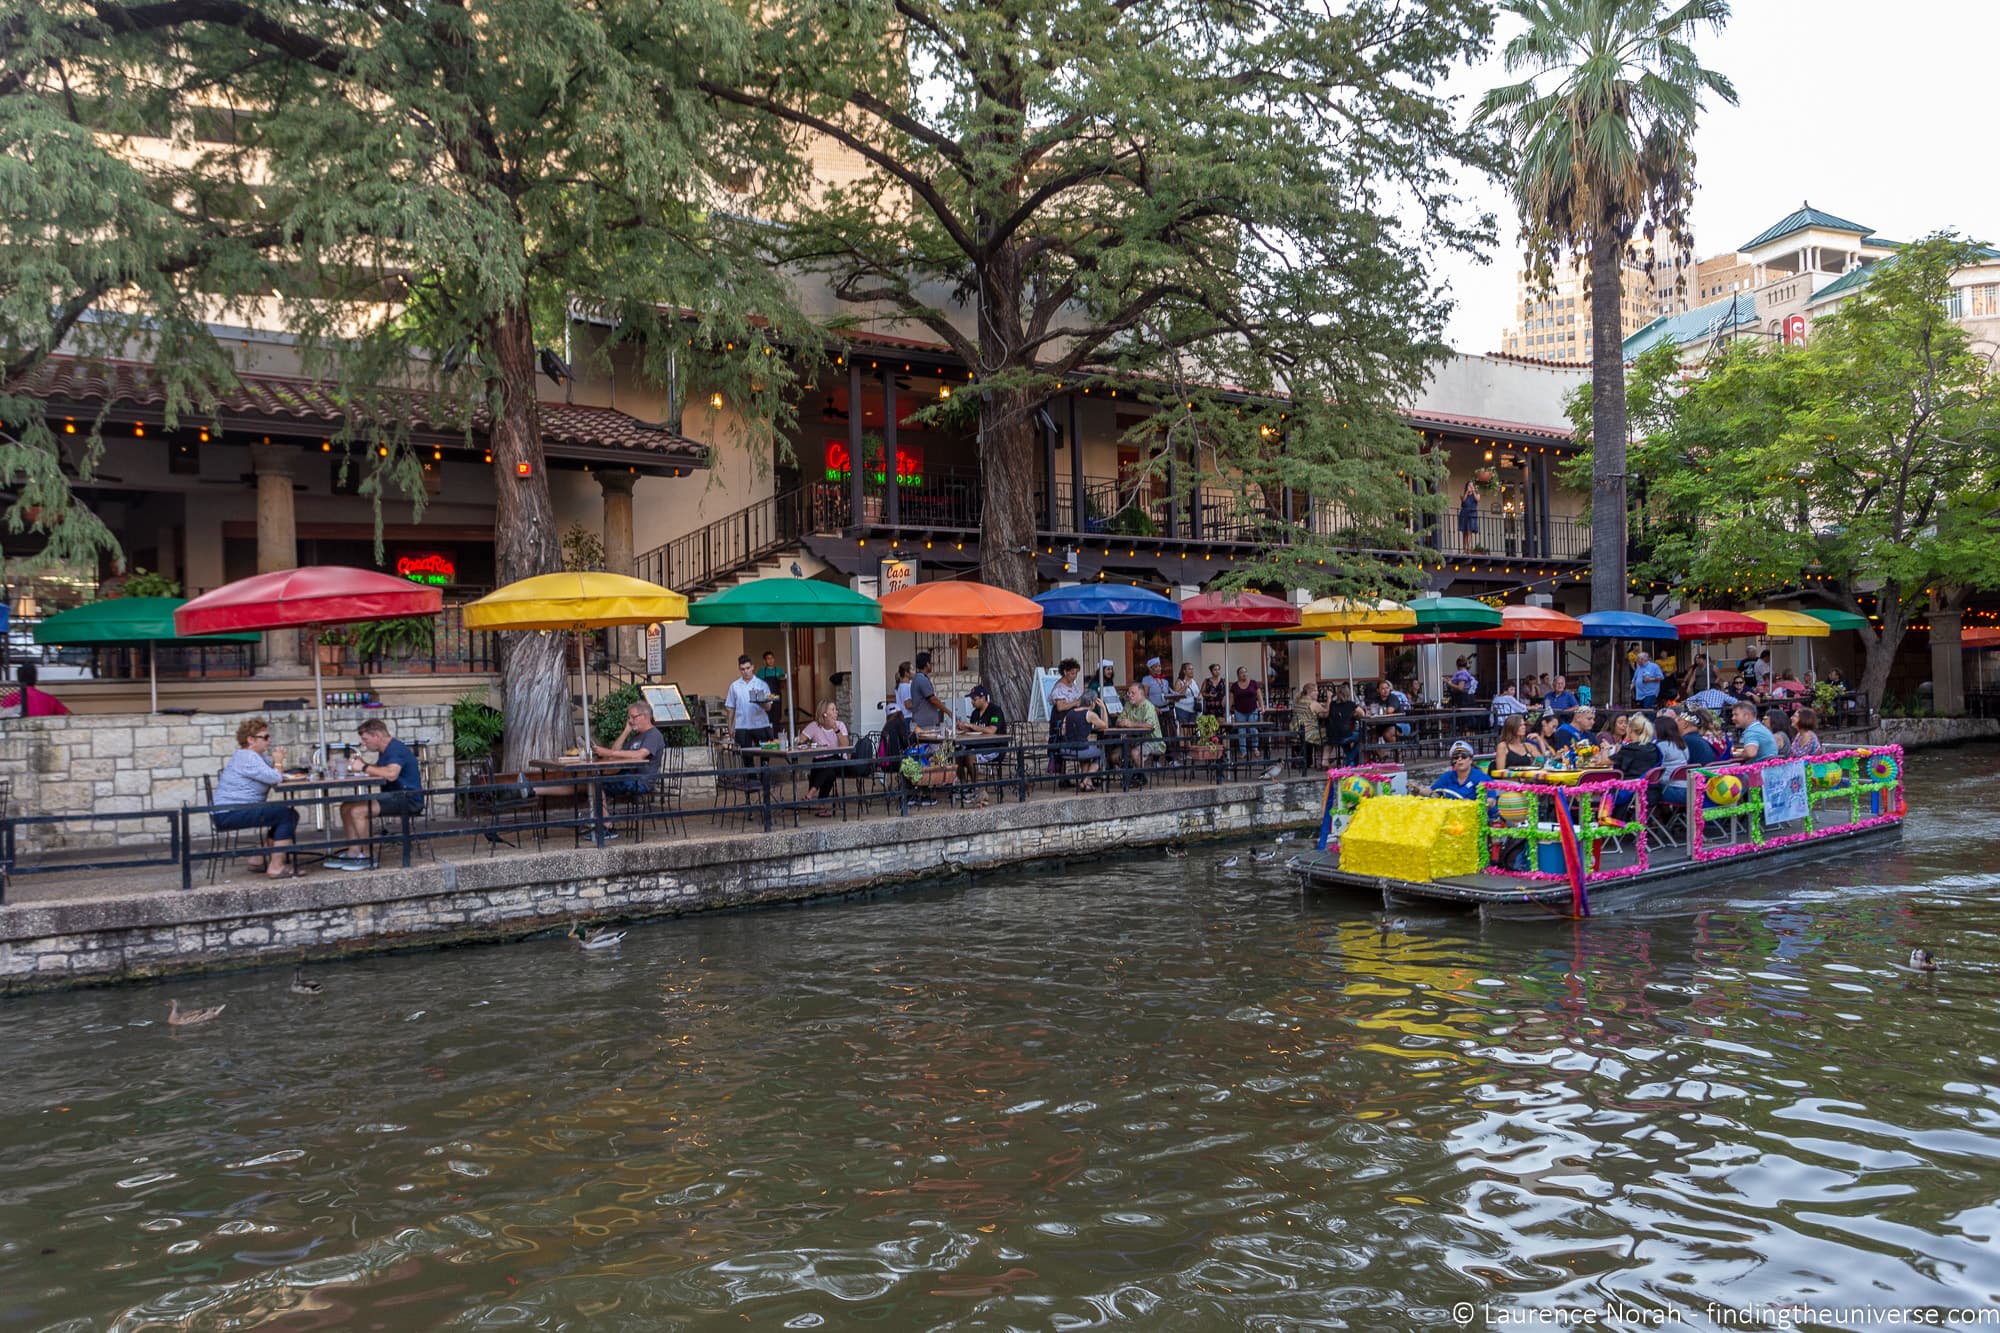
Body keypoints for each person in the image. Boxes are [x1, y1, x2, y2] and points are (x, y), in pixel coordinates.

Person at [211, 717, 299, 879]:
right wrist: (279, 761)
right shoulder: (247, 757)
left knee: (284, 813)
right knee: (286, 815)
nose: (269, 740)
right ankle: (276, 866)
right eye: (265, 737)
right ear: (251, 740)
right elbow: (275, 777)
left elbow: (273, 773)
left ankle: (259, 858)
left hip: (232, 810)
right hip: (230, 813)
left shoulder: (256, 756)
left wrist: (276, 765)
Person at [331, 718, 424, 870]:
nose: (363, 744)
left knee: (357, 811)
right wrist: (362, 764)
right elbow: (381, 769)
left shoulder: (395, 749)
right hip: (393, 796)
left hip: (407, 799)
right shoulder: (386, 750)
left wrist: (364, 767)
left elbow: (391, 773)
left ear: (377, 736)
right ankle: (354, 852)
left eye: (366, 739)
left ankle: (369, 856)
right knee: (346, 806)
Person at [591, 699, 668, 834]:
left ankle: (606, 826)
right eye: (629, 718)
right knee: (592, 782)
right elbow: (613, 754)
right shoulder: (636, 737)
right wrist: (626, 731)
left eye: (633, 717)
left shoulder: (653, 735)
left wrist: (608, 752)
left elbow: (640, 755)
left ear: (644, 716)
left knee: (595, 784)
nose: (631, 721)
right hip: (628, 776)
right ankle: (603, 823)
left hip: (641, 781)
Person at [799, 700, 850, 815]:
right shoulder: (815, 726)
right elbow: (800, 740)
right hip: (821, 761)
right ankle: (821, 805)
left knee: (830, 764)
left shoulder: (840, 725)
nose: (836, 712)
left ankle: (812, 791)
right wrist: (806, 744)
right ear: (824, 713)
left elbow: (846, 745)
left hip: (839, 760)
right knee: (829, 770)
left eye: (835, 709)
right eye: (833, 709)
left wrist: (836, 729)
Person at [726, 655, 775, 749]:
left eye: (748, 668)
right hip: (742, 726)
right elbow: (730, 708)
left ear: (752, 667)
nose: (746, 672)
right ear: (739, 670)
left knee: (765, 755)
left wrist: (761, 702)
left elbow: (769, 707)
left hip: (760, 724)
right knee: (746, 757)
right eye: (742, 669)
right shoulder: (734, 686)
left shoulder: (762, 684)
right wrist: (730, 727)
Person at [1121, 681, 1165, 768]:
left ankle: (1141, 776)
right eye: (1128, 693)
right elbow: (1119, 721)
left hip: (1153, 741)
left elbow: (1149, 725)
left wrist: (1131, 724)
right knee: (1114, 756)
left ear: (1141, 694)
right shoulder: (1128, 705)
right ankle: (1130, 775)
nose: (1129, 695)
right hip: (1134, 740)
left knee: (1135, 753)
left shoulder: (1148, 706)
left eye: (1133, 693)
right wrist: (1122, 723)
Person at [908, 651, 946, 730]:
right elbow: (933, 699)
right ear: (927, 664)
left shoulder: (918, 678)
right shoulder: (921, 679)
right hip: (925, 723)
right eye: (930, 663)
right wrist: (948, 712)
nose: (931, 665)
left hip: (922, 720)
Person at [1228, 665, 1261, 755]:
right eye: (1241, 672)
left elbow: (1259, 695)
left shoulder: (1253, 683)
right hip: (1239, 711)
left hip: (1252, 709)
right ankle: (1243, 751)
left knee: (1253, 729)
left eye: (1245, 672)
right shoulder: (1234, 686)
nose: (1244, 674)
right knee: (1241, 730)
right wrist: (1227, 710)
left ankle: (1255, 748)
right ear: (1238, 675)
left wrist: (1262, 707)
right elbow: (1231, 698)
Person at [1292, 683, 1327, 767]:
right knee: (1329, 734)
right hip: (1307, 733)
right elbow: (1325, 714)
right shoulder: (1313, 703)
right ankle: (1322, 761)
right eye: (1315, 690)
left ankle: (1318, 761)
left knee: (1321, 732)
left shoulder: (1298, 701)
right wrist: (1329, 700)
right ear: (1309, 692)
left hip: (1295, 732)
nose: (1317, 692)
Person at [1325, 684, 1361, 766]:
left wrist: (1329, 698)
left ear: (1337, 694)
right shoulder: (1350, 704)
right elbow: (1362, 713)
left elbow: (1326, 713)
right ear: (1348, 693)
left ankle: (1350, 763)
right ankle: (1349, 759)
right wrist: (1354, 714)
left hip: (1331, 736)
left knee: (1345, 739)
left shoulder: (1332, 704)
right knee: (1363, 737)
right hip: (1344, 735)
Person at [1172, 662, 1201, 733]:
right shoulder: (1179, 682)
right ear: (1184, 671)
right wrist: (1185, 687)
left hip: (1193, 709)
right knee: (1183, 730)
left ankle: (1190, 744)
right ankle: (1182, 744)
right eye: (1189, 669)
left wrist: (1199, 696)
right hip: (1182, 709)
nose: (1192, 671)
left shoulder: (1194, 682)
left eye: (1192, 669)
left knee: (1192, 730)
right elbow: (1176, 697)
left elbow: (1198, 693)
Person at [1457, 480, 1480, 553]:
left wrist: (1473, 492)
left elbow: (1477, 499)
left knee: (1469, 531)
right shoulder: (1463, 494)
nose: (1470, 487)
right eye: (1469, 485)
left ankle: (1467, 548)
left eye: (1472, 485)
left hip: (1472, 514)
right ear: (1466, 487)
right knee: (1465, 532)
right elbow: (1463, 500)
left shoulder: (1477, 494)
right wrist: (1467, 492)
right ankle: (1464, 548)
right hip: (1464, 514)